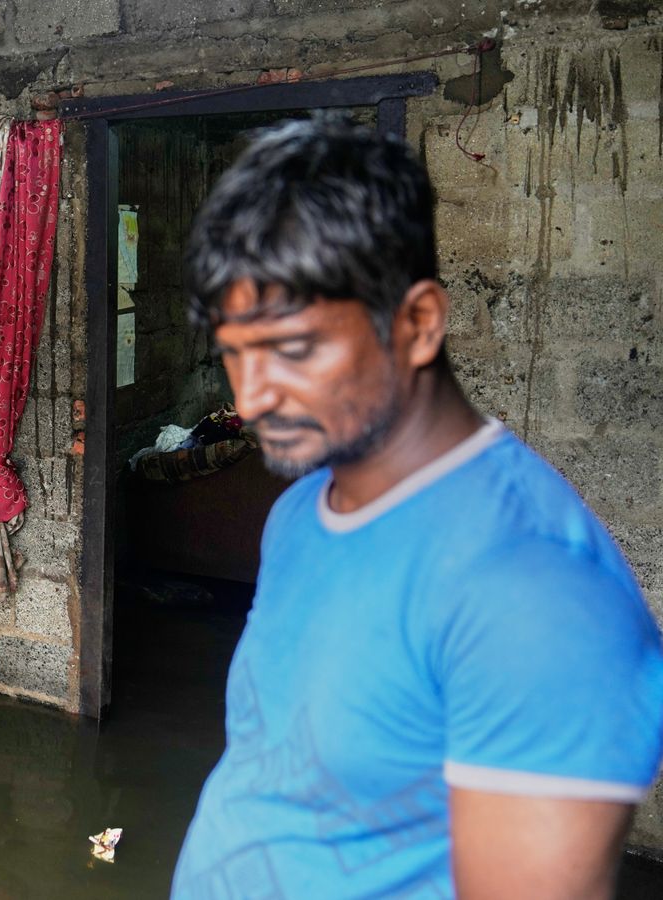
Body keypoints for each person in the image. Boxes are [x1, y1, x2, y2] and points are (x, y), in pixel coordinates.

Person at [171, 115, 663, 898]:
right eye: (234, 353)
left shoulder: (535, 596)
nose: (251, 395)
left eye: (292, 349)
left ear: (418, 323)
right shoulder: (300, 514)